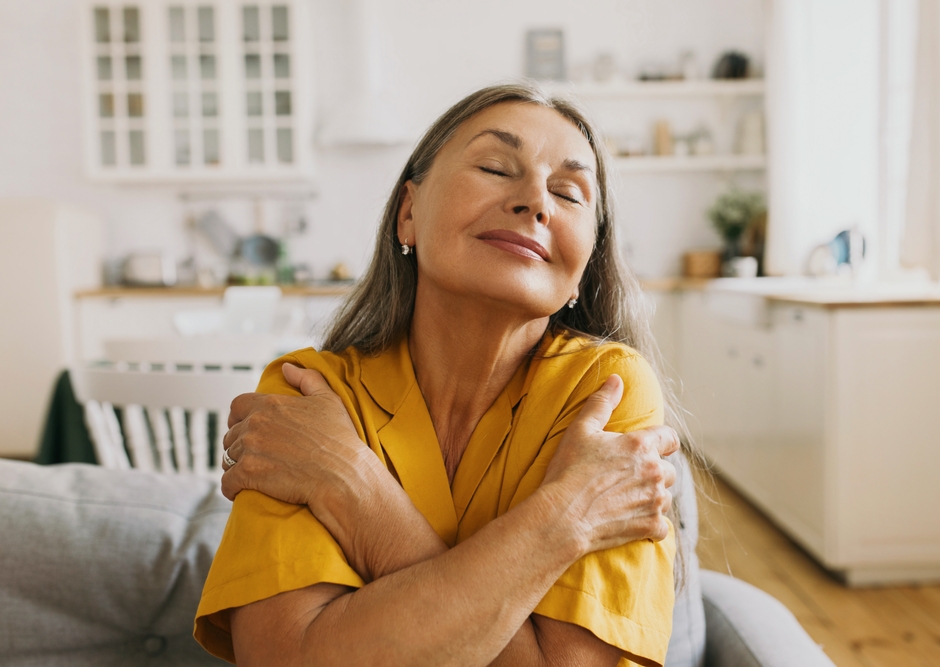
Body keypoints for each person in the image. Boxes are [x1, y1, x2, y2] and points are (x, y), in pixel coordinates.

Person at [194, 82, 688, 667]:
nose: (536, 201)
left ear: (581, 268)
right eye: (496, 167)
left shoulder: (609, 394)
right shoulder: (306, 393)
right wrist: (568, 515)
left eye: (568, 192)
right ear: (409, 213)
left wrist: (352, 487)